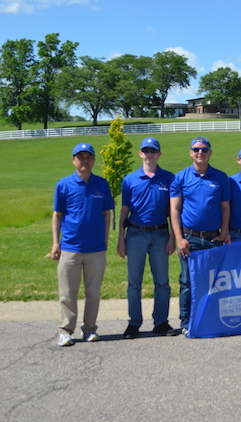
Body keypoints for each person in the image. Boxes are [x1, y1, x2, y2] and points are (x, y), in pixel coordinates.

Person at [51, 143, 114, 346]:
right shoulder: (64, 185)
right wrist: (55, 243)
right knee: (67, 293)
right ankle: (65, 330)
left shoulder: (101, 184)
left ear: (94, 160)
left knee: (93, 293)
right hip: (70, 247)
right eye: (80, 157)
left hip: (96, 248)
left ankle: (90, 329)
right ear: (73, 160)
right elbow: (57, 215)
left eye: (88, 157)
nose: (84, 161)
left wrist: (105, 238)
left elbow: (106, 214)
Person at [117, 137, 178, 339]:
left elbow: (173, 210)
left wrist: (173, 238)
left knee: (162, 282)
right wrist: (120, 239)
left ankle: (161, 322)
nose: (149, 154)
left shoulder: (169, 178)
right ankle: (134, 323)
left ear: (159, 154)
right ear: (140, 154)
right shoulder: (130, 180)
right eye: (146, 151)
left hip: (160, 234)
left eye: (153, 151)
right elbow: (125, 210)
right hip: (135, 234)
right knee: (134, 282)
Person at [170, 136, 231, 334]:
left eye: (204, 149)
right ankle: (186, 321)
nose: (200, 153)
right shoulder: (180, 178)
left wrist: (224, 232)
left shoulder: (221, 178)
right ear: (190, 152)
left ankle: (212, 317)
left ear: (210, 153)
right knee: (187, 281)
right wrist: (179, 239)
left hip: (213, 238)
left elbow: (225, 208)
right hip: (190, 238)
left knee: (214, 280)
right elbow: (175, 210)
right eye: (196, 149)